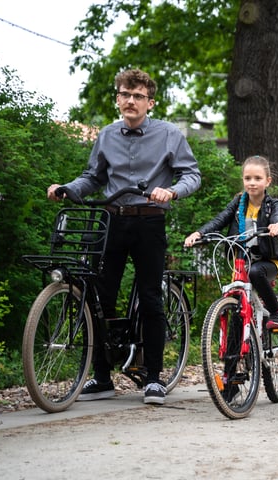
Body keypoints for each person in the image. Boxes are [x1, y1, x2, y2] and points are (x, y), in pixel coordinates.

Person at [47, 68, 202, 405]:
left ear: (151, 102)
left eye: (138, 96)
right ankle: (102, 377)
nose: (130, 101)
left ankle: (154, 379)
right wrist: (66, 189)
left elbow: (192, 175)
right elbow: (92, 177)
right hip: (111, 222)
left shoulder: (169, 135)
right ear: (117, 98)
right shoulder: (106, 135)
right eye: (124, 94)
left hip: (149, 221)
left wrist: (172, 192)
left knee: (150, 297)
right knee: (99, 298)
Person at [184, 155, 278, 326]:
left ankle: (276, 313)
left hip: (268, 261)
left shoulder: (272, 204)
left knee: (255, 272)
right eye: (248, 178)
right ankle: (232, 351)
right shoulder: (238, 203)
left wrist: (276, 225)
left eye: (257, 178)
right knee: (236, 301)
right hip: (241, 259)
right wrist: (199, 233)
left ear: (268, 181)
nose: (252, 183)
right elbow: (220, 219)